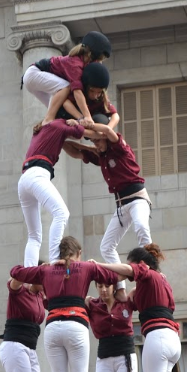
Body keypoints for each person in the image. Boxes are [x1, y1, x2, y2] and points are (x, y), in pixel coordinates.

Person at [10, 237, 122, 372]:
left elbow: (15, 272)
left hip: (53, 326)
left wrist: (46, 267)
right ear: (78, 252)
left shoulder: (46, 270)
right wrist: (97, 264)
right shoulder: (86, 267)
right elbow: (115, 276)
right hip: (76, 324)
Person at [95, 245, 182, 372]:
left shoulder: (148, 275)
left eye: (130, 266)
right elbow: (125, 298)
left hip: (157, 336)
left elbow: (128, 272)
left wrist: (99, 265)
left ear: (141, 264)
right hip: (172, 339)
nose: (129, 272)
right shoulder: (159, 281)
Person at [64, 114, 151, 274]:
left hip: (138, 198)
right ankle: (120, 286)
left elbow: (107, 130)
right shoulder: (101, 156)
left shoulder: (119, 147)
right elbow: (72, 150)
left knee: (141, 227)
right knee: (106, 247)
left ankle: (152, 270)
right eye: (93, 142)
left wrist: (81, 124)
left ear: (104, 136)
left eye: (97, 140)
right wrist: (65, 137)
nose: (96, 144)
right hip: (121, 206)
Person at [17, 118, 88, 266]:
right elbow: (80, 133)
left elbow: (72, 147)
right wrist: (78, 122)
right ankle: (55, 261)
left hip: (24, 179)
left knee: (34, 235)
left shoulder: (43, 129)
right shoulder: (58, 124)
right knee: (61, 213)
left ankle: (29, 272)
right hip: (37, 174)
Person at [20, 31, 112, 127]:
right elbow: (77, 92)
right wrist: (87, 116)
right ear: (91, 55)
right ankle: (48, 120)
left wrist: (81, 119)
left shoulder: (82, 63)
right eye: (99, 59)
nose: (99, 62)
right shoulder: (75, 63)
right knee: (66, 87)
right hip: (34, 74)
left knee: (59, 110)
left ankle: (49, 124)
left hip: (34, 81)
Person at [87, 281, 138, 372]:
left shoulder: (126, 301)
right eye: (100, 286)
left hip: (125, 356)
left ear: (114, 287)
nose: (103, 289)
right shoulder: (92, 304)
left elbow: (142, 284)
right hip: (104, 357)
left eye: (107, 286)